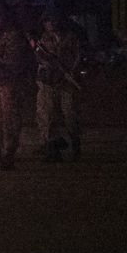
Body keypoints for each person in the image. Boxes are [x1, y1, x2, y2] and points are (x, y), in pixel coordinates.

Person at [0, 5, 31, 170]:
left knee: (9, 121)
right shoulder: (1, 37)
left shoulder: (14, 38)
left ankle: (8, 154)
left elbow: (13, 63)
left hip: (11, 84)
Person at [32, 11, 82, 162]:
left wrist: (72, 71)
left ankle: (75, 143)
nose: (51, 24)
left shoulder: (70, 37)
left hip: (66, 83)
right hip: (49, 83)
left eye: (53, 20)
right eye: (47, 21)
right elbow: (40, 59)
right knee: (47, 116)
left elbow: (78, 55)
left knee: (70, 116)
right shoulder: (43, 40)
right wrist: (47, 68)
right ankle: (51, 149)